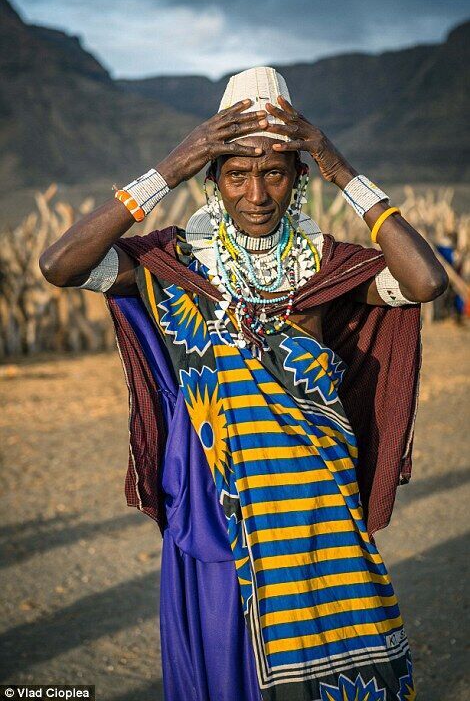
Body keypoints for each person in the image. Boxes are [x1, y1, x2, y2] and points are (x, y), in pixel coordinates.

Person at [40, 67, 448, 701]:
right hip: (215, 495)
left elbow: (425, 282)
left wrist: (338, 164)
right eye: (236, 174)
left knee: (330, 653)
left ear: (298, 182)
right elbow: (60, 265)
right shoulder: (174, 265)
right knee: (229, 644)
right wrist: (167, 169)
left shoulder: (329, 268)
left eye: (275, 173)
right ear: (213, 181)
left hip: (315, 502)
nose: (256, 192)